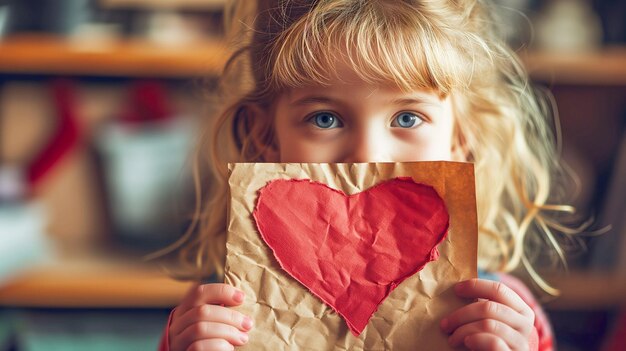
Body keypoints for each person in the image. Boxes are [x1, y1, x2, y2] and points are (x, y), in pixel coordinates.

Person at [155, 0, 576, 350]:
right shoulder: (229, 309)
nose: (366, 154)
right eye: (324, 118)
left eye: (408, 117)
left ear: (460, 139)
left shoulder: (499, 310)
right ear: (263, 134)